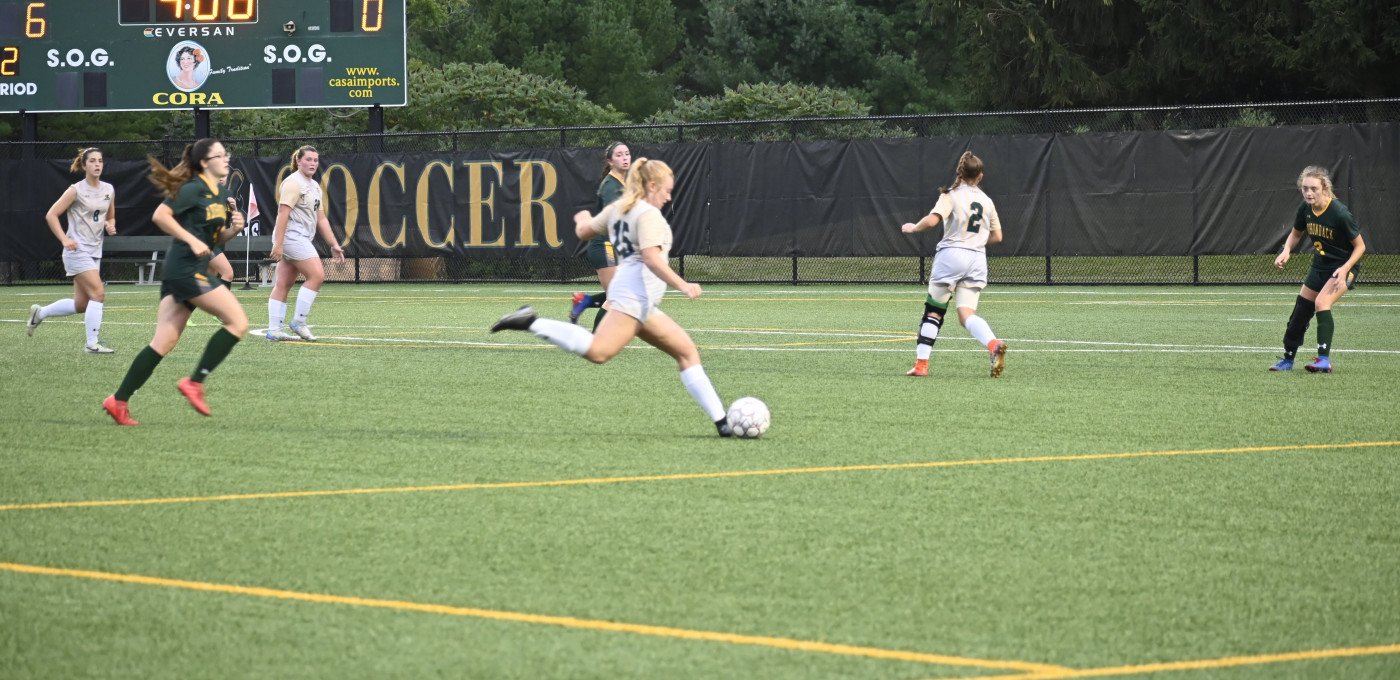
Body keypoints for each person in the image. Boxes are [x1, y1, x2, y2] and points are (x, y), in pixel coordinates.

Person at [491, 158, 734, 437]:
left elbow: (584, 231)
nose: (668, 197)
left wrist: (582, 219)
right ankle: (531, 322)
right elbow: (652, 259)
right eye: (667, 190)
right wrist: (683, 284)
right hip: (633, 297)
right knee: (599, 352)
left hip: (640, 300)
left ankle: (722, 423)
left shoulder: (618, 209)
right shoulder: (648, 215)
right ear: (651, 185)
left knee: (687, 352)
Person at [101, 139, 249, 426]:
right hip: (184, 270)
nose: (226, 158)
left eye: (225, 154)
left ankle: (118, 401)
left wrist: (233, 230)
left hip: (186, 269)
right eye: (219, 155)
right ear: (205, 163)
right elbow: (161, 215)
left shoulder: (220, 194)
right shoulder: (194, 188)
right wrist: (192, 240)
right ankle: (195, 382)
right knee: (238, 323)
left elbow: (214, 241)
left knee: (164, 341)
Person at [900, 151, 1008, 378]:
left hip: (951, 256)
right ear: (980, 176)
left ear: (959, 172)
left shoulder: (951, 195)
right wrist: (977, 241)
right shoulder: (987, 201)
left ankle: (921, 365)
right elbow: (998, 236)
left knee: (934, 311)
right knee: (966, 314)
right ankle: (993, 344)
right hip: (977, 259)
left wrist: (912, 228)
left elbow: (931, 220)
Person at [1268, 165, 1366, 373]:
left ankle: (1323, 360)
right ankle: (1287, 360)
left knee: (1322, 303)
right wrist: (1286, 251)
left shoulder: (1339, 213)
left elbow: (1360, 246)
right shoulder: (1305, 209)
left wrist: (1346, 268)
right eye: (1305, 188)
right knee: (1301, 311)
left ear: (1325, 189)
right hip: (1320, 266)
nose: (1309, 193)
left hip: (1343, 266)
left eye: (1314, 188)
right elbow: (1295, 234)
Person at [27, 147, 117, 353]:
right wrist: (64, 239)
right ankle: (91, 344)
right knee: (98, 293)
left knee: (81, 305)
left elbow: (110, 216)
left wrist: (110, 225)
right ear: (84, 165)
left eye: (100, 161)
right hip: (76, 250)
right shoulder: (75, 189)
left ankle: (40, 313)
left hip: (95, 250)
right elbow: (51, 215)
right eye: (92, 161)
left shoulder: (109, 189)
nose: (97, 164)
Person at [266, 145, 345, 341]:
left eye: (315, 160)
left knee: (283, 283)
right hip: (292, 237)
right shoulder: (293, 183)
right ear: (298, 161)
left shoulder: (315, 186)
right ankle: (299, 322)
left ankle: (274, 330)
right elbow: (282, 214)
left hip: (298, 238)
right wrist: (278, 243)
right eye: (308, 159)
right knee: (317, 276)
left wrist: (334, 244)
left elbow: (322, 219)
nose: (312, 163)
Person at [569, 141, 628, 328]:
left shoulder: (622, 182)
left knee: (625, 292)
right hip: (605, 246)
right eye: (619, 155)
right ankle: (596, 340)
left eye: (626, 153)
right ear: (610, 161)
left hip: (611, 246)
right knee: (616, 296)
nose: (624, 157)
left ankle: (584, 301)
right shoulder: (611, 186)